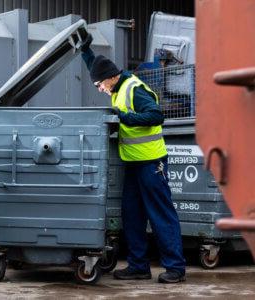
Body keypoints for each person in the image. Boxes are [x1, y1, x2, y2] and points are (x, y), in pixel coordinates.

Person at [80, 35, 186, 283]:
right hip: (134, 164)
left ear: (111, 78)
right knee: (132, 214)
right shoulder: (117, 84)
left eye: (99, 85)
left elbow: (156, 115)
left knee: (160, 214)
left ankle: (176, 268)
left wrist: (125, 119)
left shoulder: (134, 89)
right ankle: (139, 266)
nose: (100, 89)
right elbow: (96, 66)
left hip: (152, 163)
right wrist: (85, 50)